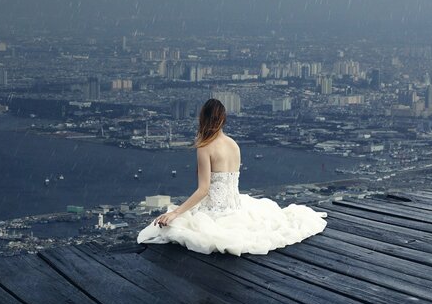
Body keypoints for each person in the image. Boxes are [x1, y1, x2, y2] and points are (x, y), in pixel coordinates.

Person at [136, 98, 328, 256]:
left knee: (172, 226)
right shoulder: (234, 145)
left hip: (214, 213)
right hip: (236, 209)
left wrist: (176, 212)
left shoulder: (205, 147)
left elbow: (203, 190)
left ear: (203, 119)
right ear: (223, 119)